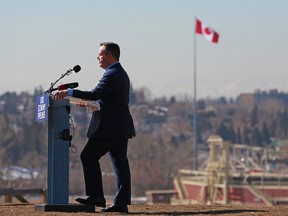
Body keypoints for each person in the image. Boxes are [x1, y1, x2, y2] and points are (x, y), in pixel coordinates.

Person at [54, 42, 135, 213]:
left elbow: (94, 94)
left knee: (88, 156)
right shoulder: (118, 73)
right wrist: (93, 104)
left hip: (109, 128)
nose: (97, 57)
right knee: (120, 164)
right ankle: (121, 203)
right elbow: (109, 100)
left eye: (100, 54)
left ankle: (96, 196)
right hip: (119, 127)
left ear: (109, 56)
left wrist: (69, 92)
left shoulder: (112, 74)